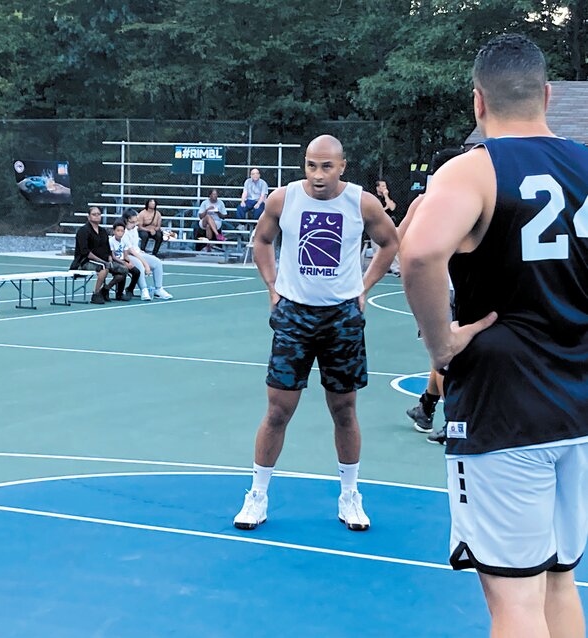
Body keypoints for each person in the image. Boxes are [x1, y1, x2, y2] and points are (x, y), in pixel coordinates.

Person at [401, 34, 588, 637]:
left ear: (477, 102)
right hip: (578, 407)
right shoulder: (586, 164)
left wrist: (440, 344)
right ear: (548, 95)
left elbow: (420, 254)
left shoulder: (476, 168)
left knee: (513, 602)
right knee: (558, 580)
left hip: (504, 410)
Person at [233, 135, 399, 533]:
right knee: (277, 411)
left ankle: (349, 495)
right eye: (311, 165)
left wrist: (363, 287)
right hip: (294, 316)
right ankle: (257, 495)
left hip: (341, 318)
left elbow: (390, 243)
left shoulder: (362, 202)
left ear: (342, 166)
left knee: (344, 410)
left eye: (327, 166)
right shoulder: (283, 199)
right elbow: (262, 241)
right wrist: (273, 287)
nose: (318, 174)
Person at [398, 148, 464, 442]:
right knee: (446, 356)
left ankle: (433, 410)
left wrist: (410, 270)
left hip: (438, 288)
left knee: (442, 354)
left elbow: (398, 238)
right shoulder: (471, 199)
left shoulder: (424, 202)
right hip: (458, 287)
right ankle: (445, 415)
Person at [69, 207, 126, 304]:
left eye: (98, 214)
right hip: (84, 261)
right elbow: (85, 251)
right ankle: (95, 294)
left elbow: (108, 249)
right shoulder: (83, 231)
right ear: (88, 216)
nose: (97, 216)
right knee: (104, 267)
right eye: (94, 214)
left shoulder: (103, 231)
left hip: (103, 260)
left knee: (123, 269)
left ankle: (106, 289)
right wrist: (101, 261)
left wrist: (109, 258)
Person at [122, 210, 173, 300]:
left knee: (157, 262)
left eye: (136, 221)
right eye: (132, 222)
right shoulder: (123, 231)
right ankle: (144, 290)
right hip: (127, 255)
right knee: (139, 265)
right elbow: (131, 251)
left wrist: (142, 253)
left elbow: (135, 247)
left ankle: (158, 289)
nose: (135, 224)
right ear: (126, 220)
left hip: (137, 253)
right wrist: (146, 264)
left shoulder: (134, 229)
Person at [108, 220, 140, 301]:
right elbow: (113, 256)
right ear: (114, 231)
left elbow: (125, 255)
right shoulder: (111, 241)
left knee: (136, 272)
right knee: (124, 270)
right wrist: (124, 263)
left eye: (122, 231)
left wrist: (129, 262)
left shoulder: (124, 241)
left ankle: (130, 289)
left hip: (123, 260)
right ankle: (119, 293)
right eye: (118, 230)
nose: (120, 233)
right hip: (115, 262)